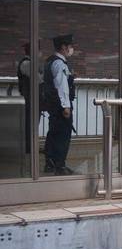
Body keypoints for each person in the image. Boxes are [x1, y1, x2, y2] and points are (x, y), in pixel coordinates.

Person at [39, 34, 76, 175]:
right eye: (70, 46)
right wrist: (66, 106)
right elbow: (62, 86)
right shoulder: (60, 63)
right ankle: (60, 166)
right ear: (63, 47)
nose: (71, 49)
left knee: (53, 133)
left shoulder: (49, 61)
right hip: (61, 106)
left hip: (52, 104)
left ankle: (50, 163)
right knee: (63, 135)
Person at [16, 43, 32, 156]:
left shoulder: (28, 63)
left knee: (30, 123)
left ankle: (30, 145)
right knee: (29, 123)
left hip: (29, 97)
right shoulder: (27, 63)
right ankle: (28, 147)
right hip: (28, 97)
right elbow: (38, 79)